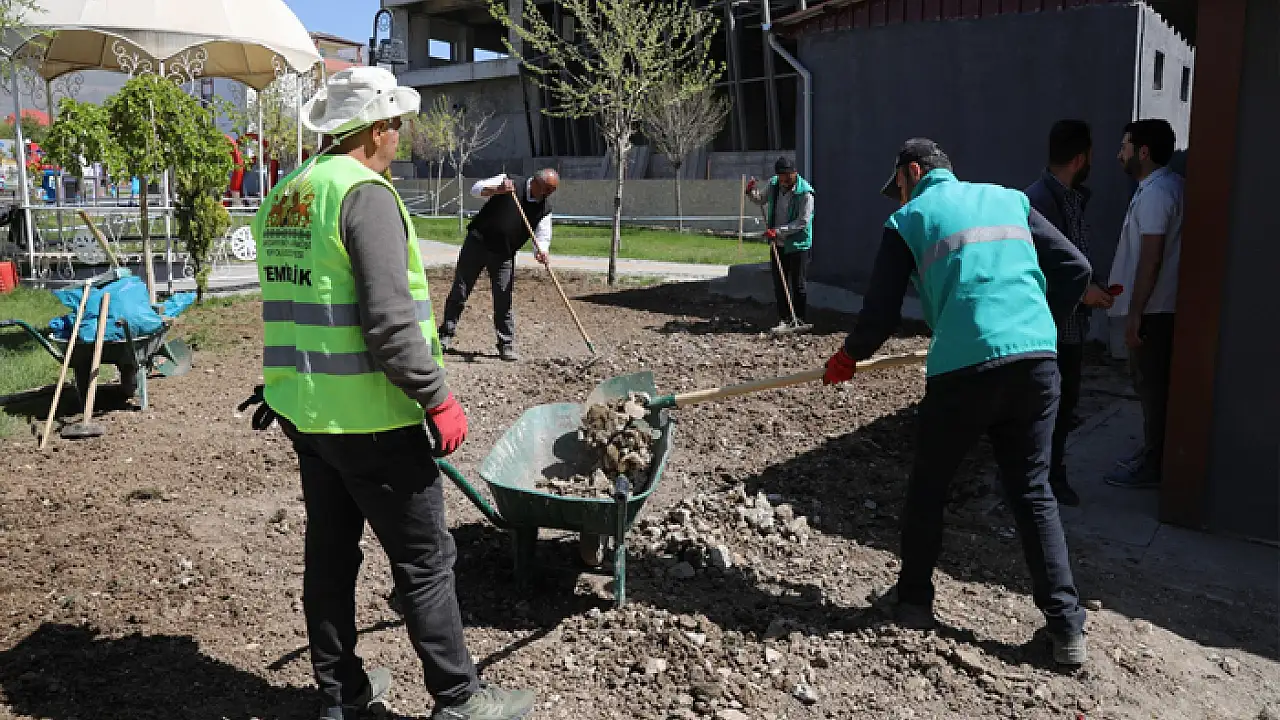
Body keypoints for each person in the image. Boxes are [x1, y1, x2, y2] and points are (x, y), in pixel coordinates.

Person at [244, 66, 534, 720]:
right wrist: (437, 397)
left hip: (305, 411)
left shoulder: (289, 192)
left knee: (329, 556)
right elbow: (388, 322)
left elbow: (299, 301)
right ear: (375, 129)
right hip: (371, 418)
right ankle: (459, 699)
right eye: (396, 123)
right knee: (426, 561)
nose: (400, 136)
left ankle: (341, 695)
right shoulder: (364, 194)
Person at [822, 139, 1093, 665]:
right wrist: (1038, 326)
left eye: (899, 186)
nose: (899, 197)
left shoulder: (908, 220)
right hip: (1037, 363)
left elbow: (880, 315)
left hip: (964, 371)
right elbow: (1076, 268)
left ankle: (914, 602)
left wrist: (849, 356)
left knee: (930, 485)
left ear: (914, 171)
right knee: (1033, 492)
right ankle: (1066, 629)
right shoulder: (1010, 199)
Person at [1023, 120, 1117, 506]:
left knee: (1063, 406)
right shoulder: (1039, 202)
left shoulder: (1068, 198)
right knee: (1046, 409)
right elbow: (1036, 269)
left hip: (1070, 326)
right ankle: (1040, 481)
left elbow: (1072, 257)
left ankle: (1049, 474)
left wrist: (1094, 286)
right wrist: (1084, 293)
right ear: (1081, 159)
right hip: (1049, 328)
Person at [1104, 119, 1183, 489]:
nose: (1120, 154)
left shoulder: (1156, 195)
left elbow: (1150, 257)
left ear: (1144, 152)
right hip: (1159, 307)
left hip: (1154, 309)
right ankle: (1152, 453)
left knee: (1151, 389)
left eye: (1125, 146)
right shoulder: (1166, 187)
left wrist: (1135, 314)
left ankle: (1153, 464)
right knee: (1152, 387)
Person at [437, 169, 560, 362]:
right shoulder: (509, 181)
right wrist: (497, 189)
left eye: (550, 192)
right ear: (535, 182)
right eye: (545, 189)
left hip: (504, 254)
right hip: (477, 243)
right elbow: (476, 190)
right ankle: (445, 335)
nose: (546, 195)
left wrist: (541, 251)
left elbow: (542, 236)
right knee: (460, 290)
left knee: (504, 298)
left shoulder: (544, 208)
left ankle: (506, 345)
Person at [746, 156, 816, 330]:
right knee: (780, 283)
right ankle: (784, 319)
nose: (783, 180)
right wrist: (751, 192)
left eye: (786, 176)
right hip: (778, 243)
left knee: (798, 284)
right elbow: (760, 199)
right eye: (780, 176)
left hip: (798, 244)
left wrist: (777, 231)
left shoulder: (805, 194)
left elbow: (802, 222)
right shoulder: (774, 184)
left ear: (794, 173)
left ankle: (799, 319)